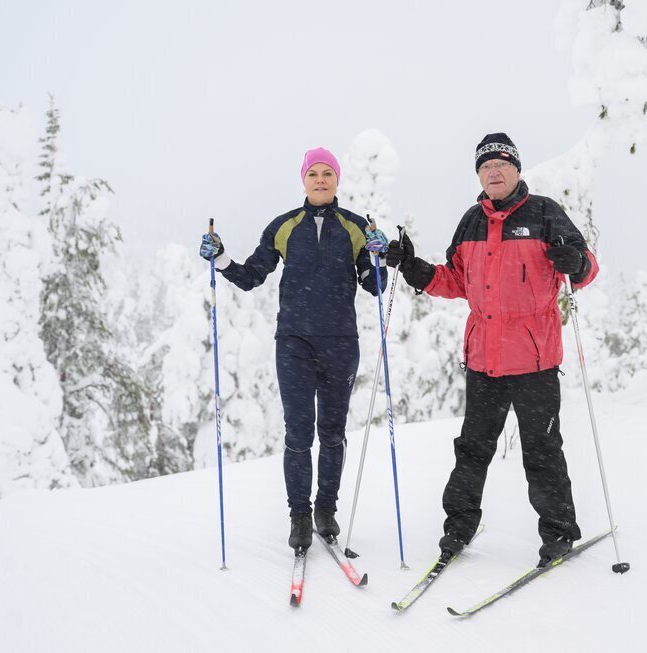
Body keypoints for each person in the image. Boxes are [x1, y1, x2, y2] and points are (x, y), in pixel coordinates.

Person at [385, 133, 599, 566]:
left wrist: (575, 264)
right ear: (479, 176)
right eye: (486, 167)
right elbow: (455, 281)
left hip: (534, 362)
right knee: (472, 449)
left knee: (541, 451)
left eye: (501, 164)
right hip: (483, 362)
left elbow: (586, 266)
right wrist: (412, 266)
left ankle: (558, 533)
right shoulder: (470, 222)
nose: (494, 172)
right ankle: (458, 528)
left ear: (517, 170)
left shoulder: (544, 214)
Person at [199, 147, 387, 552]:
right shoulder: (284, 226)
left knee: (332, 434)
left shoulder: (355, 227)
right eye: (313, 174)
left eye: (328, 174)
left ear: (338, 181)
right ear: (303, 180)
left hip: (340, 343)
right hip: (294, 344)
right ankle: (299, 515)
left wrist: (378, 257)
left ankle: (325, 510)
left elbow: (374, 286)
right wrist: (221, 259)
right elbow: (251, 276)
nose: (320, 180)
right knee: (299, 433)